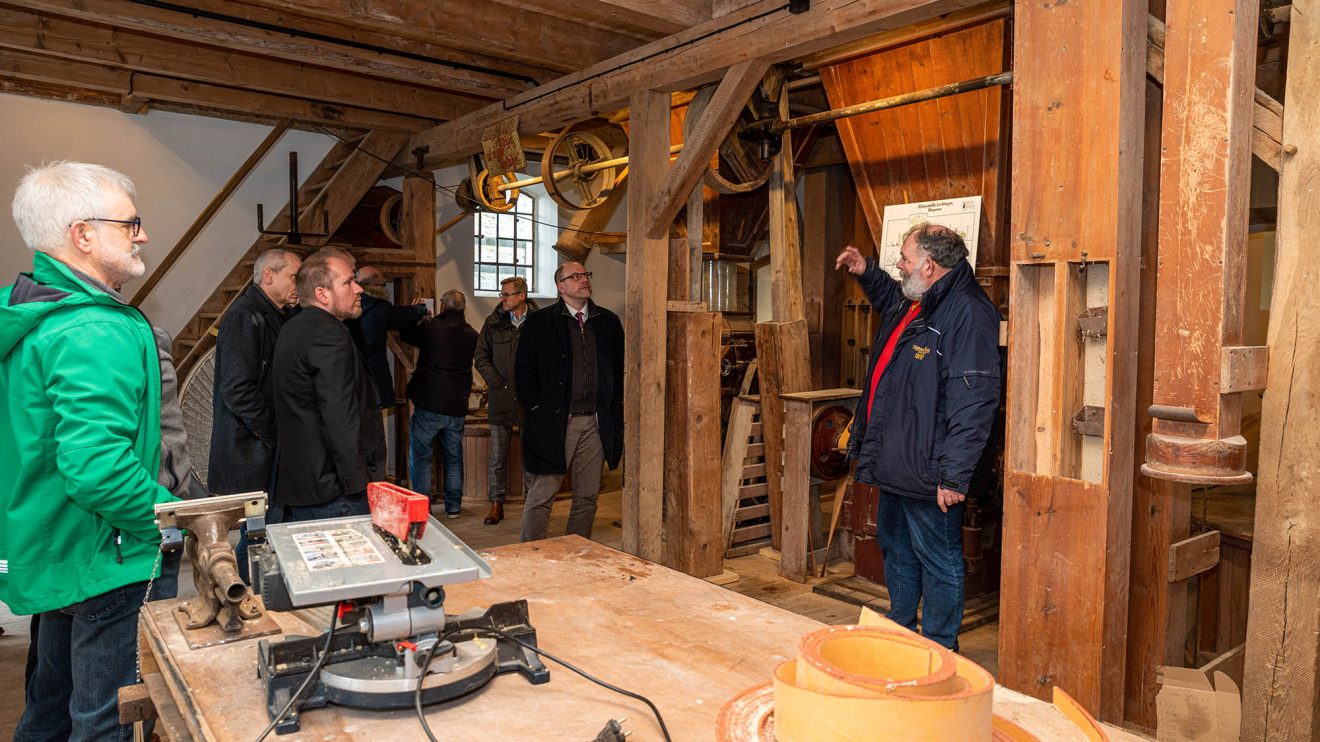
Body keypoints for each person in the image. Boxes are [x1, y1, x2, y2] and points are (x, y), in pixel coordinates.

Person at [1, 161, 181, 741]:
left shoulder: (31, 310)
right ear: (83, 234)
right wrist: (169, 522)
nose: (142, 235)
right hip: (109, 555)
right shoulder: (92, 330)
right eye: (131, 224)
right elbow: (98, 469)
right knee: (105, 720)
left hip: (60, 547)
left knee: (49, 708)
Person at [834, 223, 1000, 651]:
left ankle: (941, 647)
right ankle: (901, 630)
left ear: (928, 266)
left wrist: (954, 475)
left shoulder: (968, 313)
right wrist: (865, 271)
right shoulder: (920, 302)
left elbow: (974, 400)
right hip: (899, 460)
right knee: (897, 547)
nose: (899, 264)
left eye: (905, 258)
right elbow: (892, 297)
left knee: (938, 559)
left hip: (931, 470)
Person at [269, 249, 384, 522]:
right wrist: (357, 484)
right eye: (347, 282)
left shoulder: (294, 327)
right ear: (323, 294)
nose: (358, 289)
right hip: (333, 492)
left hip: (307, 485)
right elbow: (338, 415)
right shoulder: (327, 335)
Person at [515, 262, 623, 542]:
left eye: (586, 274)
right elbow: (523, 370)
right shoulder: (540, 323)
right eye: (575, 277)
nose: (583, 279)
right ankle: (531, 555)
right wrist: (536, 408)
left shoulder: (608, 322)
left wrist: (614, 410)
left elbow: (619, 369)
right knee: (542, 495)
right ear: (560, 286)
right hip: (556, 422)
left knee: (587, 496)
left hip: (596, 422)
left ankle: (576, 555)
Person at [210, 248, 300, 494]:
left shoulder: (278, 315)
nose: (299, 284)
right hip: (249, 451)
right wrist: (274, 430)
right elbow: (237, 389)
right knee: (255, 530)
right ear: (269, 276)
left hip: (263, 450)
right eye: (294, 277)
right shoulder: (244, 316)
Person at [400, 289, 478, 517]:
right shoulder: (472, 333)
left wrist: (415, 313)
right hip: (456, 404)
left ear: (442, 306)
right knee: (453, 457)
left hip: (429, 403)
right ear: (463, 308)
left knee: (421, 456)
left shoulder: (431, 328)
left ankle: (422, 510)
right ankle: (453, 507)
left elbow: (406, 333)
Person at [473, 275, 537, 525]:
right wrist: (497, 382)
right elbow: (481, 357)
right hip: (500, 399)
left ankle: (533, 504)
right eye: (502, 294)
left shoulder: (538, 323)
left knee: (531, 455)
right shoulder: (493, 323)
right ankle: (496, 503)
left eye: (507, 294)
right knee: (497, 457)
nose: (503, 299)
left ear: (522, 296)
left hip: (529, 401)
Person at [346, 265, 427, 410]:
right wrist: (421, 308)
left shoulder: (346, 307)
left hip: (349, 378)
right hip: (373, 378)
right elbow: (403, 314)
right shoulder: (380, 308)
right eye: (383, 284)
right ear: (375, 286)